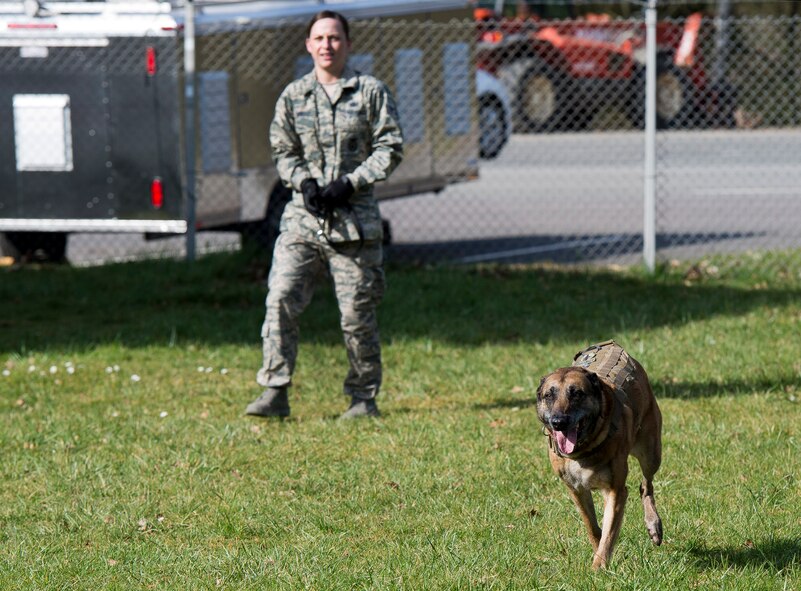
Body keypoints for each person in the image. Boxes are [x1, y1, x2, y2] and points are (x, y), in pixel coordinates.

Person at [246, 10, 404, 420]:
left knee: (357, 315)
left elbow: (390, 147)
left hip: (355, 225)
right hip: (303, 221)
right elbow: (283, 150)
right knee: (280, 298)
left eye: (334, 38)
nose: (326, 45)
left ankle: (363, 400)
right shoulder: (294, 96)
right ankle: (274, 391)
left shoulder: (370, 92)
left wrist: (351, 183)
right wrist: (305, 183)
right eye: (319, 38)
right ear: (308, 45)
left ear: (347, 44)